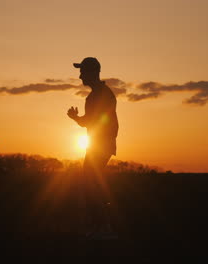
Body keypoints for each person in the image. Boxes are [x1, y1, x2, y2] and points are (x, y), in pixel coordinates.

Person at [67, 57, 119, 239]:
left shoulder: (101, 94)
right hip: (99, 144)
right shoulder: (98, 94)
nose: (80, 76)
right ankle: (101, 226)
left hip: (100, 145)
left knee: (91, 184)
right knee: (92, 184)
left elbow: (96, 121)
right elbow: (92, 121)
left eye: (83, 72)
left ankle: (104, 228)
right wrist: (77, 118)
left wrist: (77, 119)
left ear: (92, 73)